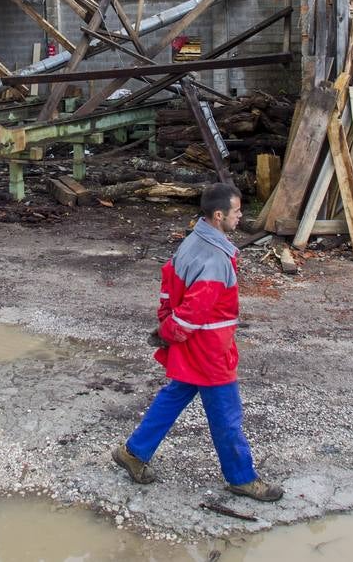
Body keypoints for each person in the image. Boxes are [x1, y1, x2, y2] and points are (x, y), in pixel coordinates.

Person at [111, 183, 283, 502]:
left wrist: (165, 324)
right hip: (210, 349)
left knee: (175, 395)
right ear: (219, 216)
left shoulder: (191, 241)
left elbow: (168, 284)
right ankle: (242, 478)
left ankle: (133, 452)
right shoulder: (215, 258)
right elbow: (194, 312)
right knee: (227, 416)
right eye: (236, 211)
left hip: (193, 344)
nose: (241, 215)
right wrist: (169, 332)